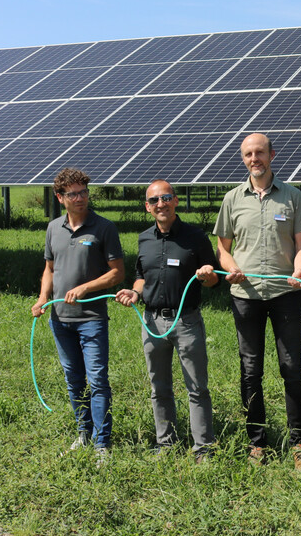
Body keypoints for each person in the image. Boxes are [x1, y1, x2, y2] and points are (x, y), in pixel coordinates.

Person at [213, 133, 301, 468]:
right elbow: (223, 249)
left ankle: (299, 441)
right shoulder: (232, 199)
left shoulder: (291, 196)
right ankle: (256, 442)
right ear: (243, 159)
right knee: (250, 369)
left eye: (259, 153)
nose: (254, 159)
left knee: (291, 367)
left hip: (285, 293)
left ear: (272, 155)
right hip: (246, 296)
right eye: (247, 154)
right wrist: (231, 269)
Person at [114, 179, 220, 463]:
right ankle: (166, 443)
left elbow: (213, 281)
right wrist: (134, 292)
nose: (160, 204)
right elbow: (141, 275)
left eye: (166, 198)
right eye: (154, 201)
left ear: (175, 201)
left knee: (197, 388)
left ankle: (203, 449)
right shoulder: (144, 238)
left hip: (186, 322)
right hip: (151, 322)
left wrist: (208, 275)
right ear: (147, 208)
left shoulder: (195, 237)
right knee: (158, 387)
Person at [31, 167, 125, 457]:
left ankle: (102, 443)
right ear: (60, 198)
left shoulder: (104, 228)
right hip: (59, 320)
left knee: (97, 380)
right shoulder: (53, 228)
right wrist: (42, 298)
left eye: (84, 192)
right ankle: (83, 432)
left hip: (92, 320)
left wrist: (86, 288)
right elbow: (49, 269)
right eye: (73, 194)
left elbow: (117, 273)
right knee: (74, 380)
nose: (80, 198)